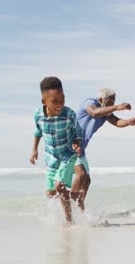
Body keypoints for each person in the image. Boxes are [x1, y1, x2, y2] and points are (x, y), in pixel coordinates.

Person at [71, 88, 135, 211]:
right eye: (110, 101)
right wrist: (117, 107)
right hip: (70, 145)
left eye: (113, 101)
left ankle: (79, 208)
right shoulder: (90, 102)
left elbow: (117, 122)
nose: (112, 104)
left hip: (81, 148)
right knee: (81, 174)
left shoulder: (106, 112)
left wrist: (128, 122)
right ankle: (70, 206)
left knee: (87, 180)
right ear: (101, 99)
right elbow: (94, 112)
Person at [29, 76, 83, 225]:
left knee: (59, 186)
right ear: (44, 101)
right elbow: (37, 132)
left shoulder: (69, 114)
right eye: (55, 101)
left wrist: (77, 144)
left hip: (67, 155)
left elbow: (78, 132)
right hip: (51, 158)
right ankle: (72, 203)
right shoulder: (38, 115)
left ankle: (69, 221)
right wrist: (34, 150)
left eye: (62, 99)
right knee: (50, 193)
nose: (60, 104)